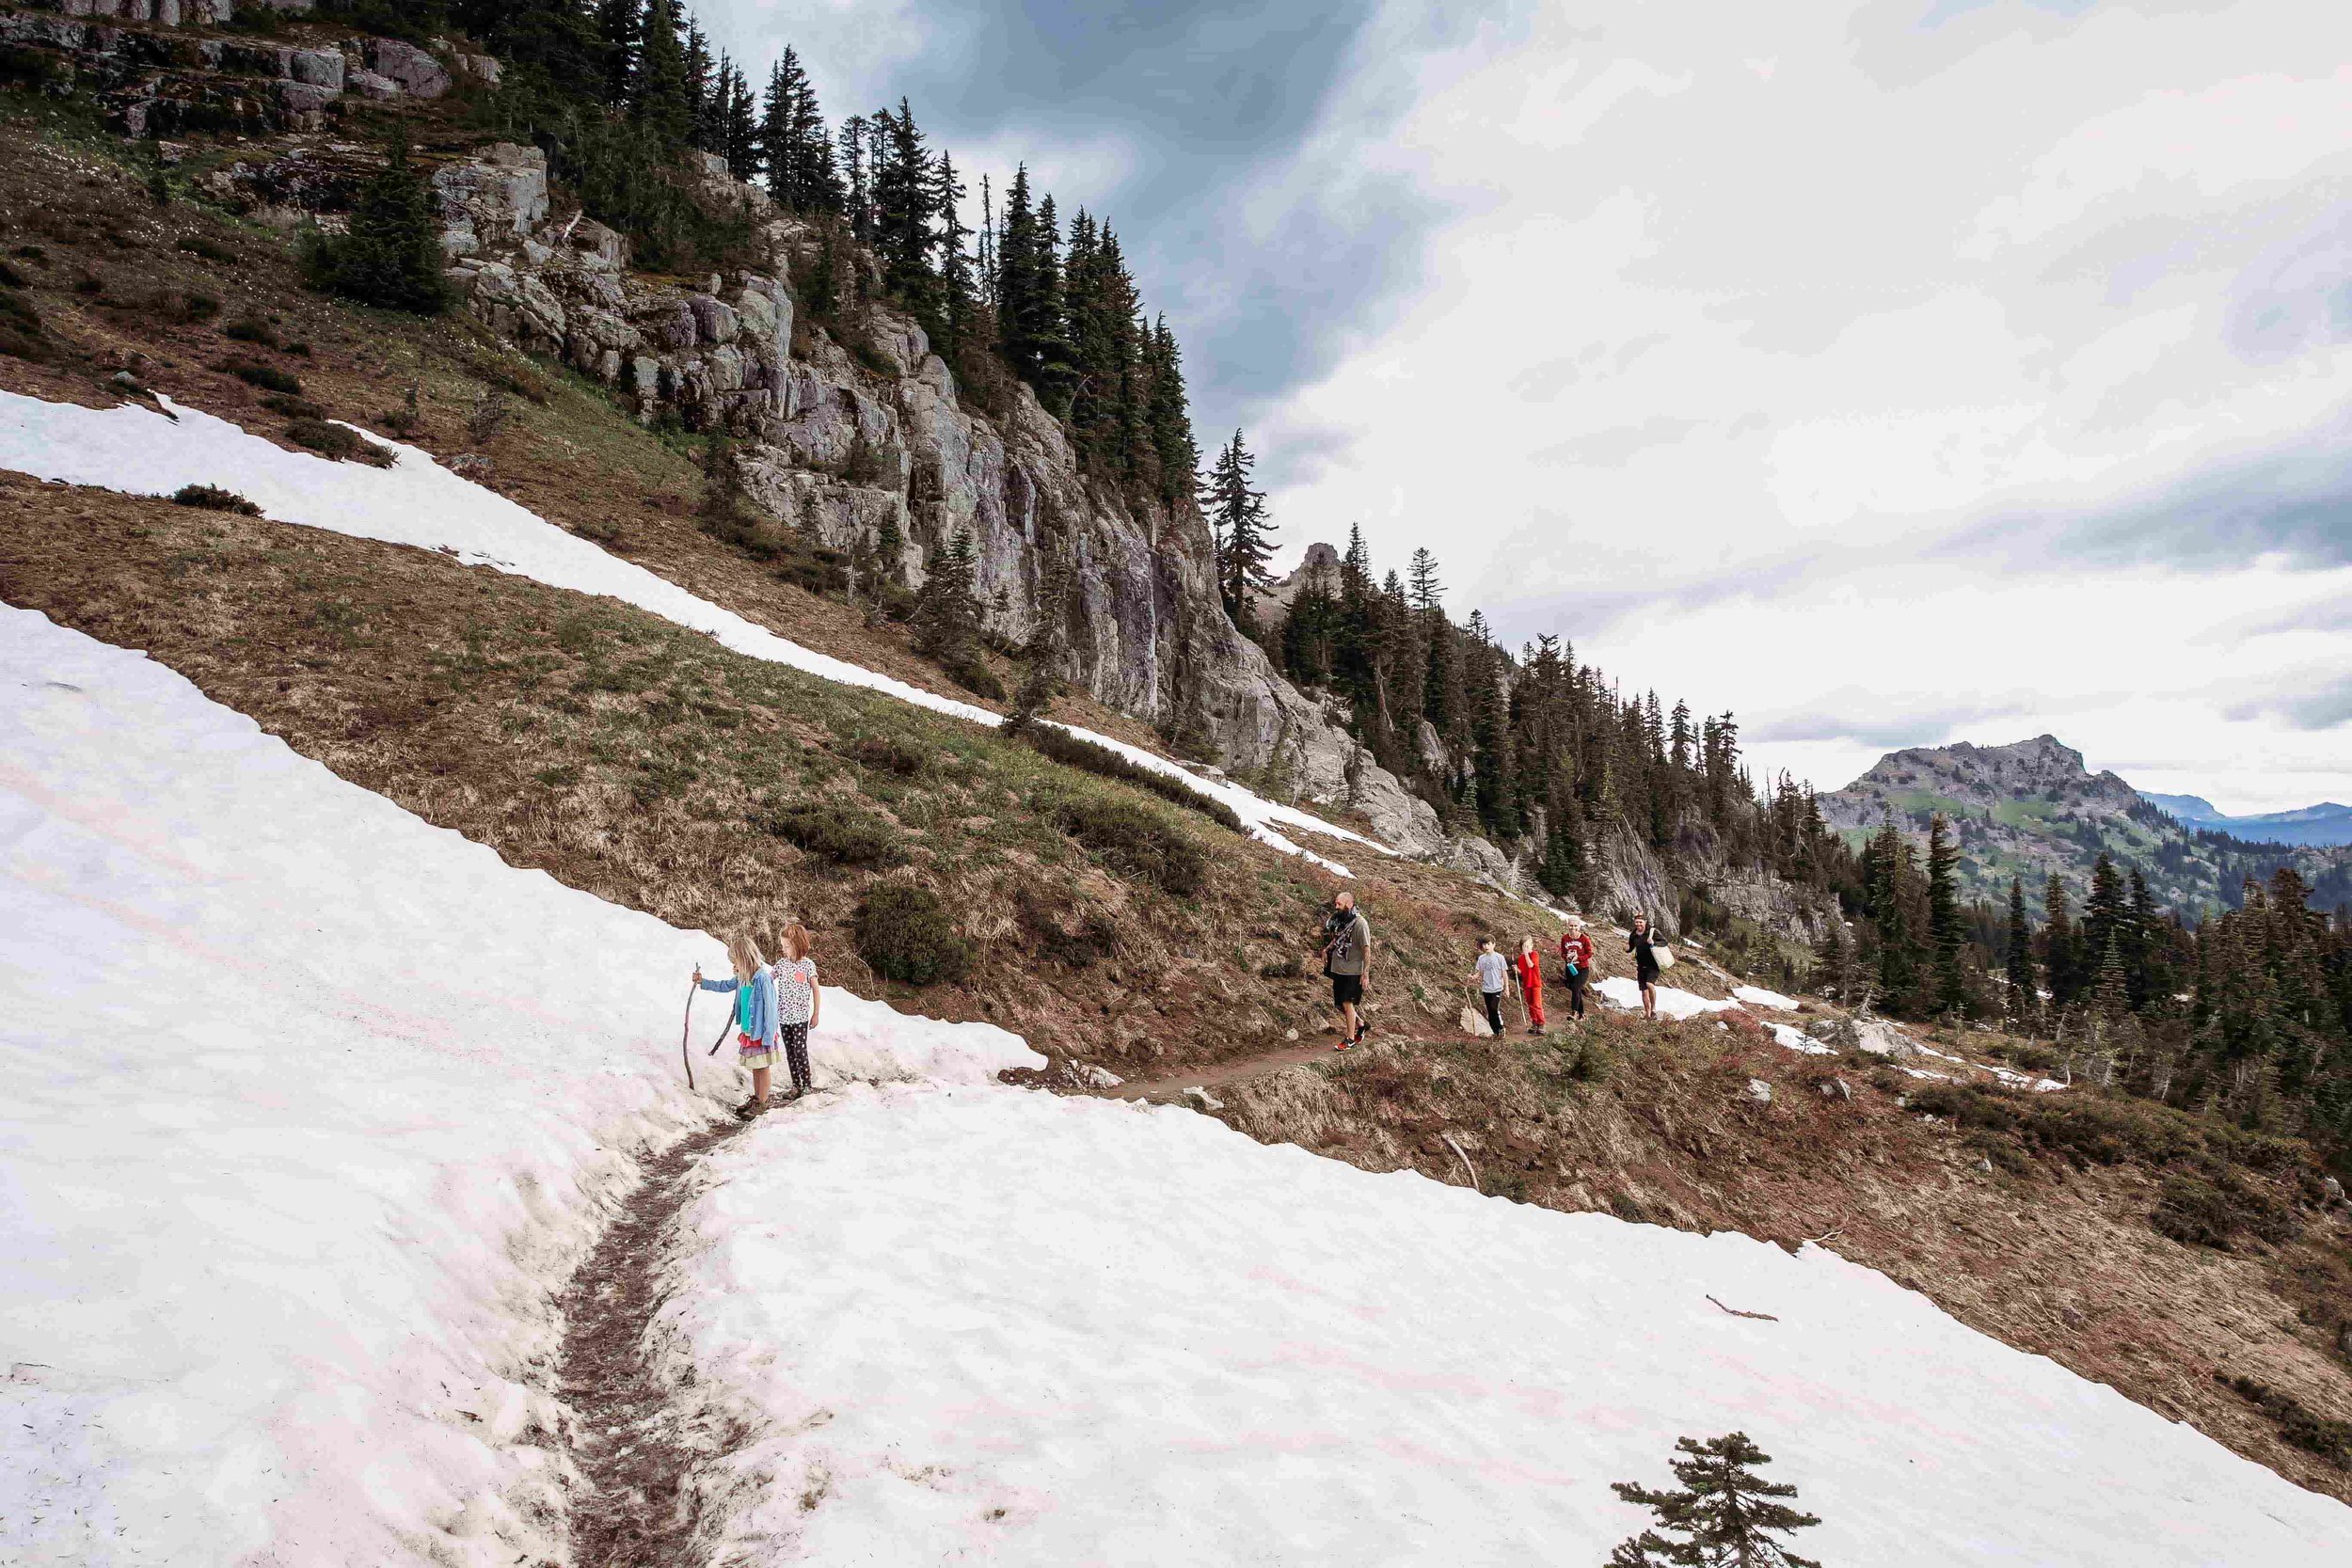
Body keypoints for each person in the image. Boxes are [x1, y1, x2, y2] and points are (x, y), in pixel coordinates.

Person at [695, 932, 779, 1118]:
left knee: (762, 1067)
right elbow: (724, 985)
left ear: (745, 959)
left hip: (761, 1033)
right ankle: (757, 1098)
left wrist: (768, 1034)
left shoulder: (763, 979)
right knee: (756, 1066)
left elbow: (771, 1009)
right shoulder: (743, 978)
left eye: (736, 961)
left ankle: (763, 1102)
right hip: (750, 1032)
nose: (734, 966)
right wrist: (703, 982)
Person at [769, 921, 822, 1101]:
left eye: (787, 946)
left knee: (800, 1050)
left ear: (798, 945)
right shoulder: (781, 964)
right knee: (790, 1051)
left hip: (800, 1018)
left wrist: (815, 1014)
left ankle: (807, 1085)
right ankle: (795, 1086)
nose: (784, 949)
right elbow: (768, 979)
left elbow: (815, 989)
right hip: (784, 1018)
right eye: (782, 946)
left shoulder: (807, 965)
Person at [1319, 889, 1373, 1050]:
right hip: (1339, 968)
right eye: (1336, 903)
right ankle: (1361, 1025)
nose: (1336, 906)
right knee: (1340, 1005)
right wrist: (1326, 949)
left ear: (1349, 904)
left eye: (1339, 904)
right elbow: (1338, 938)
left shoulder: (1360, 924)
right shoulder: (1343, 920)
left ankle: (1349, 1039)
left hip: (1353, 971)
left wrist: (1365, 973)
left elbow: (1367, 950)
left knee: (1347, 1004)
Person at [1470, 936, 1510, 1037]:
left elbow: (1504, 973)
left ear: (1493, 944)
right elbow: (1479, 972)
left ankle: (1500, 1029)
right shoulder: (1481, 958)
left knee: (1494, 1009)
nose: (1486, 946)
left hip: (1497, 988)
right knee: (1490, 1012)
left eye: (1488, 944)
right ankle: (1496, 1032)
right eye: (1484, 944)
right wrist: (1472, 977)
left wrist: (1507, 988)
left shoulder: (1499, 957)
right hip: (1486, 988)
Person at [1558, 917, 1594, 1022]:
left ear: (1579, 926)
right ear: (1568, 925)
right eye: (1571, 925)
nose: (1573, 928)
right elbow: (1563, 953)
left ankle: (1574, 1012)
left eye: (1575, 926)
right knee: (1575, 989)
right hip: (1570, 967)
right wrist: (1567, 957)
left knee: (1576, 987)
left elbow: (1589, 953)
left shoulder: (1584, 939)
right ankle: (1582, 1015)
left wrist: (1579, 958)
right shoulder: (1565, 938)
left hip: (1582, 968)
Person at [1628, 914, 1661, 1022]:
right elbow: (1631, 947)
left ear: (1645, 922)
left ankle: (1654, 1009)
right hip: (1641, 965)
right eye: (1637, 922)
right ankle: (1648, 1014)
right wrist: (1627, 950)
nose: (1638, 924)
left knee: (1649, 984)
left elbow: (1664, 942)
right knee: (1643, 991)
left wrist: (1654, 942)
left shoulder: (1652, 932)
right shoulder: (1633, 935)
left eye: (1640, 922)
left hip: (1653, 964)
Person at [1514, 935, 1546, 1034]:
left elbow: (1531, 965)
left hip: (1535, 983)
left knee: (1537, 1004)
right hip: (1527, 984)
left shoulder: (1535, 954)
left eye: (1528, 946)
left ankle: (1541, 1023)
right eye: (1524, 946)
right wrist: (1516, 969)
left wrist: (1526, 954)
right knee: (1530, 1005)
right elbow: (1522, 971)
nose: (1527, 948)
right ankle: (1534, 1022)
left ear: (1532, 945)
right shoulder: (1521, 958)